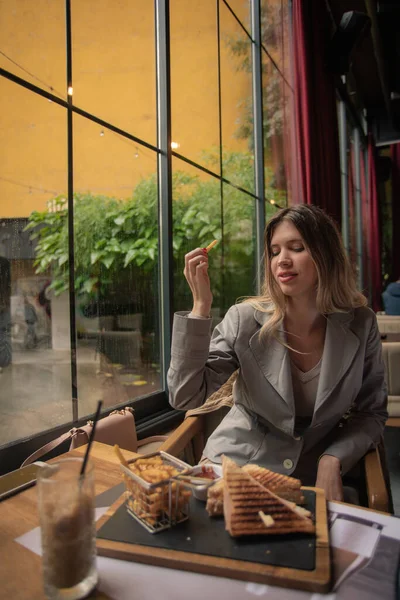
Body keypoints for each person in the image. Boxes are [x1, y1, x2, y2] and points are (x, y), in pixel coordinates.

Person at [167, 204, 388, 502]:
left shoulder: (361, 323)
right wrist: (200, 308)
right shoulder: (243, 319)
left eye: (296, 248)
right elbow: (185, 396)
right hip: (235, 463)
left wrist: (332, 459)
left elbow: (371, 412)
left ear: (326, 255)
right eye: (274, 251)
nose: (282, 260)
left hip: (311, 473)